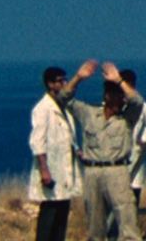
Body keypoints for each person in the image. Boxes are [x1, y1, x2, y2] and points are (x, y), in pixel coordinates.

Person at [60, 59, 146, 241]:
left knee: (127, 219)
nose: (121, 100)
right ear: (107, 96)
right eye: (116, 95)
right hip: (93, 172)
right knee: (95, 224)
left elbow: (137, 101)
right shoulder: (89, 114)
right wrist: (78, 78)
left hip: (117, 171)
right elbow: (63, 98)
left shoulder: (127, 118)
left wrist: (119, 81)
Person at [29, 66, 83, 241]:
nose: (64, 83)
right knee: (50, 213)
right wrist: (44, 170)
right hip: (51, 169)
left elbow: (69, 137)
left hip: (64, 169)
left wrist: (78, 151)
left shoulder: (65, 108)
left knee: (62, 212)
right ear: (50, 84)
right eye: (60, 80)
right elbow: (37, 142)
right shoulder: (42, 108)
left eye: (64, 80)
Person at [107, 69, 146, 239]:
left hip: (133, 159)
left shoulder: (141, 105)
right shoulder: (112, 104)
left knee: (132, 202)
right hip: (114, 162)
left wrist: (142, 141)